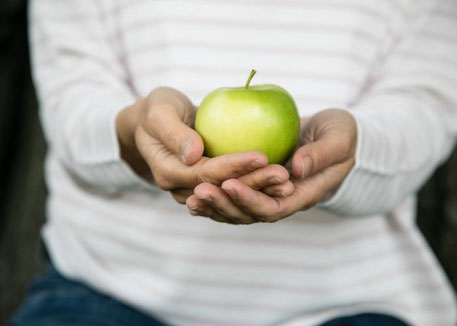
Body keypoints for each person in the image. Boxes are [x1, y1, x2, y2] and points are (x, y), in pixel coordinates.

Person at [12, 0, 457, 325]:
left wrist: (354, 150)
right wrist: (135, 133)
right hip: (111, 288)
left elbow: (424, 110)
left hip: (347, 302)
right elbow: (73, 109)